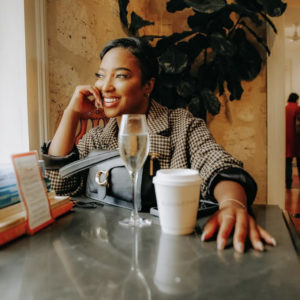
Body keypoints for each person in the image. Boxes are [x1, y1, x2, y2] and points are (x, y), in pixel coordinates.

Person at [42, 37, 276, 253]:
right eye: (101, 75)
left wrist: (232, 205)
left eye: (121, 75)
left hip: (171, 251)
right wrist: (71, 113)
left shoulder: (182, 125)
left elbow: (217, 164)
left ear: (148, 86)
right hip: (110, 250)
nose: (106, 86)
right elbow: (61, 184)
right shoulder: (99, 137)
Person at [285, 93, 300, 189]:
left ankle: (288, 183)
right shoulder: (298, 109)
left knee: (288, 163)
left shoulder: (285, 109)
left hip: (286, 140)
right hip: (297, 140)